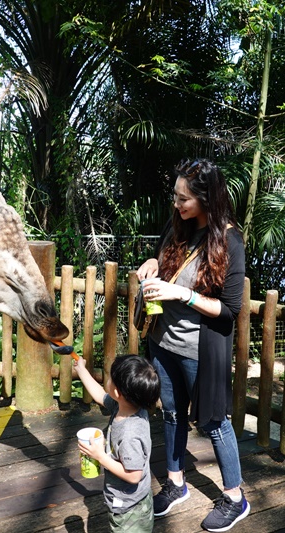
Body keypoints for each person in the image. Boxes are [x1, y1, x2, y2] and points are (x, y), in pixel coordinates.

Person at [136, 158, 249, 532]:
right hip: (163, 340)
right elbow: (164, 254)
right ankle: (176, 482)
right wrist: (152, 263)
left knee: (214, 422)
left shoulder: (230, 240)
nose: (177, 204)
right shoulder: (177, 225)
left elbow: (229, 310)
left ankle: (236, 498)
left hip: (199, 349)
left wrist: (180, 294)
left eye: (184, 199)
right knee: (170, 413)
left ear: (206, 199)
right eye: (175, 196)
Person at [74, 354, 161, 532]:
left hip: (130, 509)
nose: (109, 379)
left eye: (111, 377)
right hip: (130, 501)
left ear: (118, 392)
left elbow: (134, 476)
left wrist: (100, 457)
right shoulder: (128, 406)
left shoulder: (129, 434)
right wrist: (82, 371)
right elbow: (100, 396)